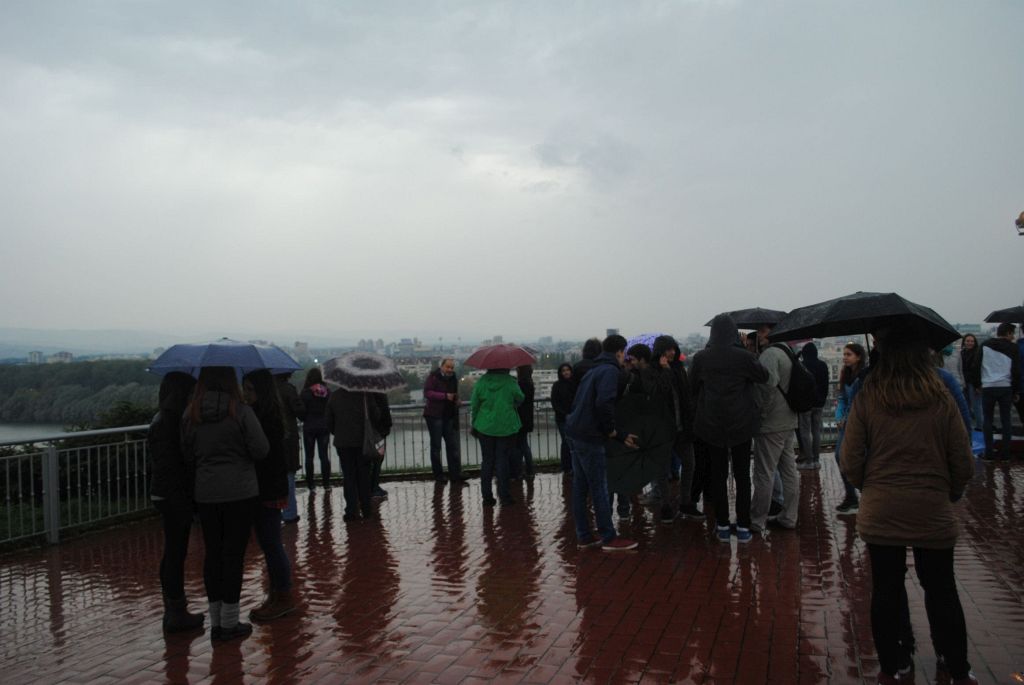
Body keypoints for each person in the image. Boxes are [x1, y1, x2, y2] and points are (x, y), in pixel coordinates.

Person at [839, 323, 976, 685]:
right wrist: (949, 493)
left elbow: (849, 458)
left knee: (886, 589)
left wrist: (870, 487)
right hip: (932, 506)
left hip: (882, 506)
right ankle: (957, 666)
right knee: (942, 588)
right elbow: (963, 460)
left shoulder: (869, 393)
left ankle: (893, 664)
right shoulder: (940, 393)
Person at [182, 366, 269, 642]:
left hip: (206, 492)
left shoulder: (191, 414)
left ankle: (216, 620)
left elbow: (187, 453)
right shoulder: (241, 412)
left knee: (213, 554)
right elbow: (261, 449)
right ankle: (230, 622)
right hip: (240, 492)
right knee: (233, 555)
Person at [690, 315, 769, 543]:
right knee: (742, 476)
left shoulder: (701, 357)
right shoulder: (744, 357)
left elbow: (691, 386)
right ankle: (743, 526)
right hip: (741, 424)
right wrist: (746, 351)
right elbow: (763, 376)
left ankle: (723, 525)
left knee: (718, 476)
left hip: (712, 425)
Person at [565, 334, 639, 551]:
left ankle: (584, 535)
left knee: (580, 487)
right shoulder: (609, 371)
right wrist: (612, 431)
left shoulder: (594, 369)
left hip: (575, 432)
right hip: (590, 436)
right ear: (619, 352)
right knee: (599, 487)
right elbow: (604, 403)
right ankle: (608, 536)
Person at [148, 372, 203, 633]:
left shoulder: (161, 419)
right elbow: (179, 461)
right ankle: (176, 611)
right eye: (191, 393)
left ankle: (173, 608)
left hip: (164, 492)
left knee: (173, 551)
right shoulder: (172, 423)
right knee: (175, 551)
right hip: (174, 494)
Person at [242, 370, 296, 621]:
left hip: (267, 487)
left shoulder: (263, 418)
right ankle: (277, 594)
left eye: (250, 389)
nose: (246, 394)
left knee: (272, 543)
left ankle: (282, 596)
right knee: (270, 542)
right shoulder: (270, 414)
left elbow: (262, 453)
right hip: (270, 485)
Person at [750, 327, 800, 534]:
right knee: (789, 471)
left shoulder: (770, 354)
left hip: (771, 423)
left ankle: (757, 519)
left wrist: (760, 414)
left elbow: (767, 388)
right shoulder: (787, 350)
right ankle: (789, 516)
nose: (759, 335)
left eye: (763, 331)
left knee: (764, 472)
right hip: (789, 419)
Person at [651, 335, 701, 522]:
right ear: (660, 352)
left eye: (673, 349)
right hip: (663, 431)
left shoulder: (679, 369)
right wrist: (665, 370)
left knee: (690, 463)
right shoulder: (652, 372)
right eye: (668, 349)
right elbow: (658, 393)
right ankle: (665, 505)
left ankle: (685, 502)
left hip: (682, 427)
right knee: (662, 469)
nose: (672, 353)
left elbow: (686, 396)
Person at [325, 387, 393, 521]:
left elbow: (329, 420)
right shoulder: (365, 395)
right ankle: (366, 509)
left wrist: (338, 432)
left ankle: (351, 510)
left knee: (348, 476)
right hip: (363, 441)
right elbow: (376, 415)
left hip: (343, 442)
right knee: (364, 475)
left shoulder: (335, 395)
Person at [470, 367, 524, 507]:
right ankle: (504, 496)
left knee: (487, 461)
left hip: (485, 426)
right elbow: (520, 398)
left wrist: (474, 422)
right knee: (502, 460)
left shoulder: (482, 382)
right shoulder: (510, 382)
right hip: (505, 426)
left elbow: (474, 404)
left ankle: (487, 497)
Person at [972, 322, 1021, 460]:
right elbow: (1016, 371)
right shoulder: (1013, 348)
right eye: (1012, 334)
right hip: (1005, 387)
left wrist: (977, 384)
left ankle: (988, 453)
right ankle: (1005, 453)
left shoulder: (985, 345)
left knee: (987, 419)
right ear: (1008, 333)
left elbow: (976, 365)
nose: (1013, 337)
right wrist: (1016, 390)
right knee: (1006, 420)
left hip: (988, 386)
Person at [423, 358, 467, 484]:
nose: (450, 370)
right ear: (441, 366)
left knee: (452, 446)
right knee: (436, 447)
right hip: (434, 416)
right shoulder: (433, 377)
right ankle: (439, 475)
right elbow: (427, 393)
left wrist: (457, 399)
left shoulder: (453, 378)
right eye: (448, 367)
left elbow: (454, 393)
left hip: (448, 416)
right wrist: (445, 396)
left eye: (452, 367)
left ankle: (455, 474)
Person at [834, 342, 867, 513]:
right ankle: (851, 495)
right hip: (846, 422)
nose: (845, 358)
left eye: (849, 354)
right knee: (839, 455)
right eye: (844, 354)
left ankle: (859, 494)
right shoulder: (845, 374)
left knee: (858, 457)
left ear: (858, 357)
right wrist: (839, 417)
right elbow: (842, 399)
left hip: (859, 422)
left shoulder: (864, 376)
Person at [796, 342, 829, 471]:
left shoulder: (802, 366)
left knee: (805, 432)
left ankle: (808, 460)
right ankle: (816, 460)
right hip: (819, 404)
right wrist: (822, 399)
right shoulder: (823, 365)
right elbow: (825, 385)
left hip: (806, 404)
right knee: (816, 431)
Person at [276, 372, 303, 523]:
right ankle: (289, 512)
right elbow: (299, 411)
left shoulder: (265, 389)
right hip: (288, 437)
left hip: (272, 437)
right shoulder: (288, 389)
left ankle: (276, 511)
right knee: (289, 474)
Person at [299, 368, 331, 490]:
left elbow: (301, 410)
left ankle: (311, 485)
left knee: (309, 457)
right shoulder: (327, 392)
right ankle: (326, 483)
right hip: (324, 427)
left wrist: (305, 418)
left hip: (309, 427)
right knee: (324, 456)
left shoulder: (305, 393)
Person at [510, 365, 536, 481]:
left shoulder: (520, 384)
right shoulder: (530, 383)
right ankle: (528, 470)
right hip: (527, 418)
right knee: (523, 444)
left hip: (520, 418)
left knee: (520, 445)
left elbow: (518, 399)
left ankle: (521, 471)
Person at [549, 363, 576, 474]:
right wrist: (564, 414)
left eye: (568, 370)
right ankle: (566, 466)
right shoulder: (557, 385)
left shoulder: (575, 384)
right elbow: (554, 402)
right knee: (566, 441)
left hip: (574, 418)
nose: (566, 372)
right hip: (562, 419)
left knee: (573, 442)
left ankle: (573, 466)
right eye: (563, 370)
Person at [960, 334, 982, 431]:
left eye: (972, 341)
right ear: (964, 342)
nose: (970, 343)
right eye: (968, 341)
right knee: (966, 405)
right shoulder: (962, 353)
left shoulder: (977, 353)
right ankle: (968, 425)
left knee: (977, 405)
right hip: (965, 382)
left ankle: (980, 426)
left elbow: (978, 370)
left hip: (974, 383)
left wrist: (978, 385)